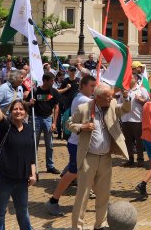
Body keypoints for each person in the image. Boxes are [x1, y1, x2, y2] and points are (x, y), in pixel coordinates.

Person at [68, 82, 130, 230]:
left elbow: (125, 109)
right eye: (107, 97)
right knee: (83, 194)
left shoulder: (112, 104)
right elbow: (69, 123)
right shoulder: (84, 108)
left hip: (106, 157)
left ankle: (100, 224)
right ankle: (77, 226)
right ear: (98, 97)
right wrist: (82, 127)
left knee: (103, 194)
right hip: (88, 157)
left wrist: (126, 97)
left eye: (111, 96)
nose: (111, 99)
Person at [45, 75, 96, 216]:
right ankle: (53, 201)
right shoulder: (82, 99)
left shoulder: (83, 97)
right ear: (83, 86)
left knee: (91, 172)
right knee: (73, 173)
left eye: (95, 86)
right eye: (92, 86)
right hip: (76, 143)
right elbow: (99, 102)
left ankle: (100, 201)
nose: (94, 88)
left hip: (82, 143)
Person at [0, 91, 36, 230]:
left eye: (21, 109)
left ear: (25, 113)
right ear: (10, 112)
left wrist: (33, 174)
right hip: (3, 179)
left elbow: (31, 154)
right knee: (0, 212)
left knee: (23, 211)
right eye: (15, 109)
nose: (18, 111)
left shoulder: (28, 129)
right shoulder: (5, 127)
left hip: (22, 179)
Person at [29, 72, 60, 174]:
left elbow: (56, 107)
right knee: (34, 145)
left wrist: (54, 122)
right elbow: (26, 103)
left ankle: (50, 166)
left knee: (50, 145)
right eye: (51, 80)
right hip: (35, 119)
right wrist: (30, 102)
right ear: (45, 80)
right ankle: (32, 167)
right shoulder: (34, 91)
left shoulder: (54, 92)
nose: (53, 82)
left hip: (48, 119)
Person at [121, 67, 150, 167]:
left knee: (139, 141)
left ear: (136, 79)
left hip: (137, 119)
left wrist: (142, 101)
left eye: (131, 78)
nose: (129, 80)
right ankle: (130, 159)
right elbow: (120, 104)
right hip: (125, 119)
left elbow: (148, 104)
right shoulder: (124, 91)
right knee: (128, 141)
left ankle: (140, 159)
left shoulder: (142, 90)